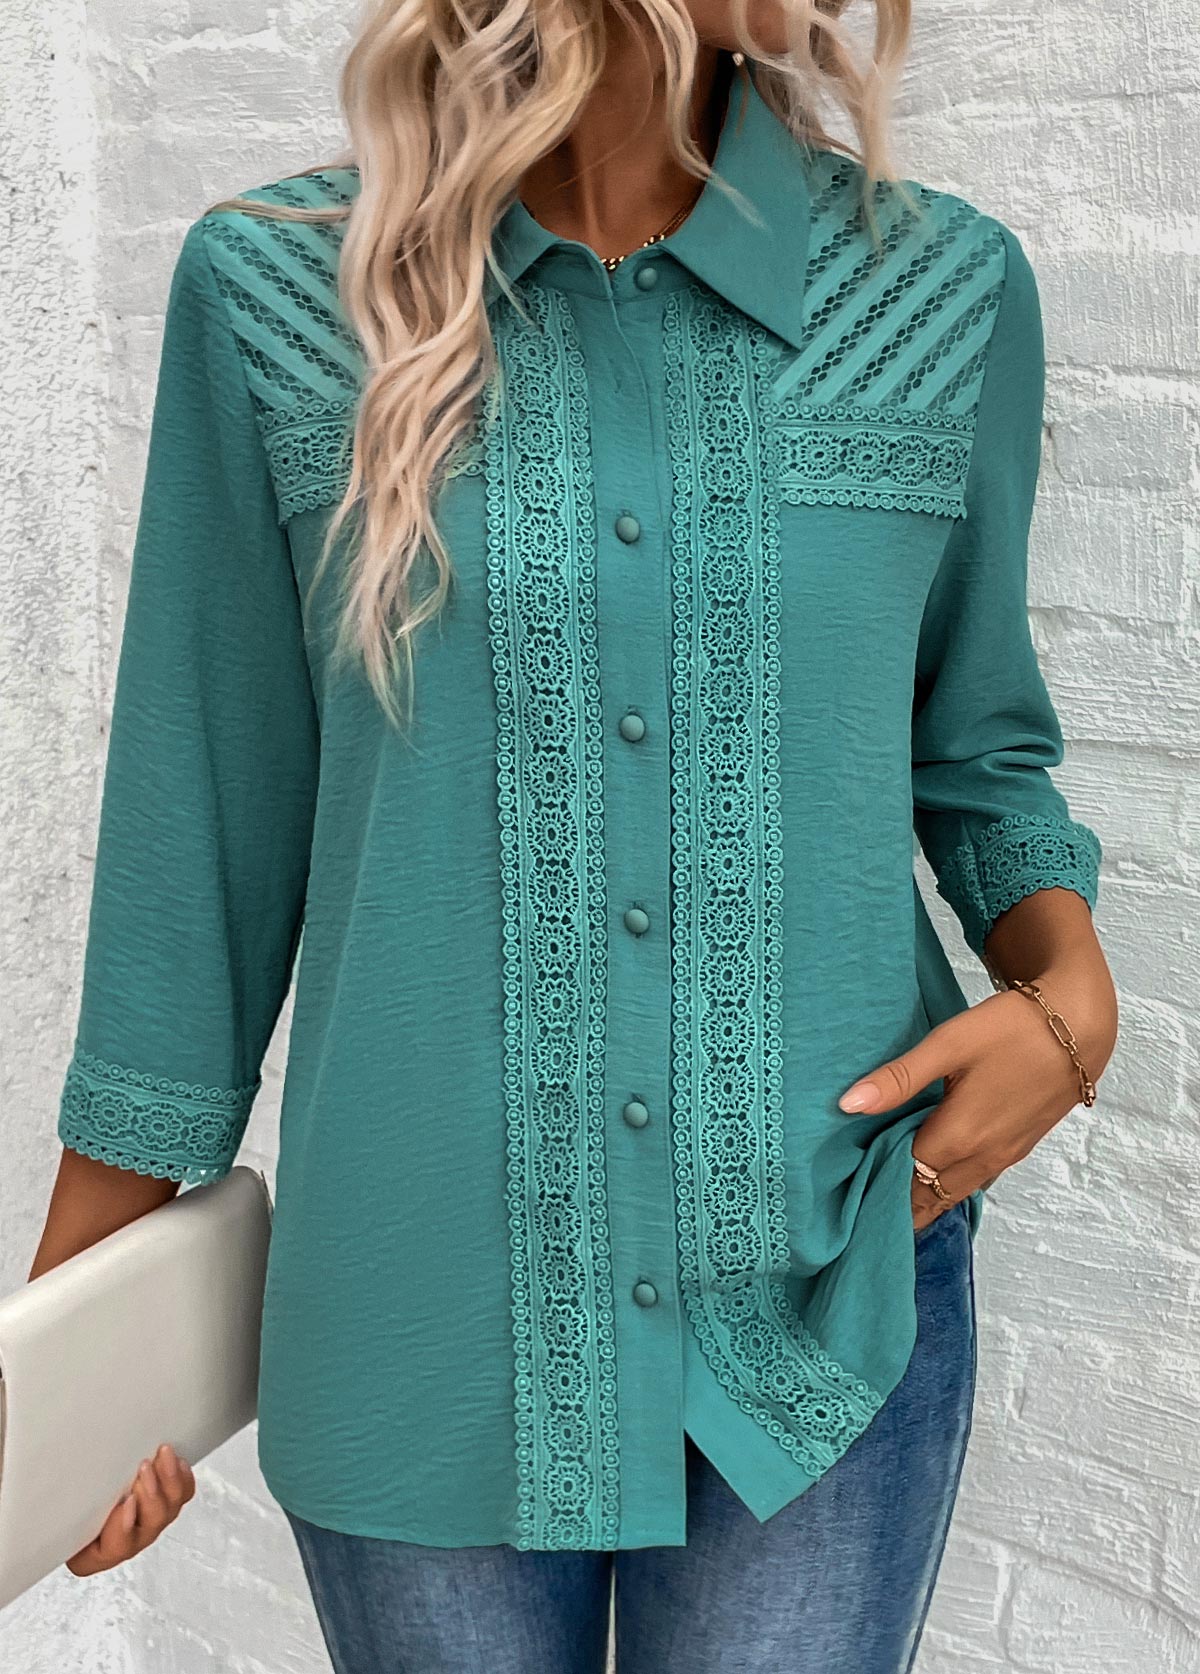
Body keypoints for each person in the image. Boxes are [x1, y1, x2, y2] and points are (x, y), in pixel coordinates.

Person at [29, 0, 1119, 1668]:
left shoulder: (939, 291)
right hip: (420, 1318)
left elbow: (976, 750)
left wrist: (1070, 997)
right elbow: (205, 828)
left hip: (825, 1296)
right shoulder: (281, 292)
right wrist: (62, 1367)